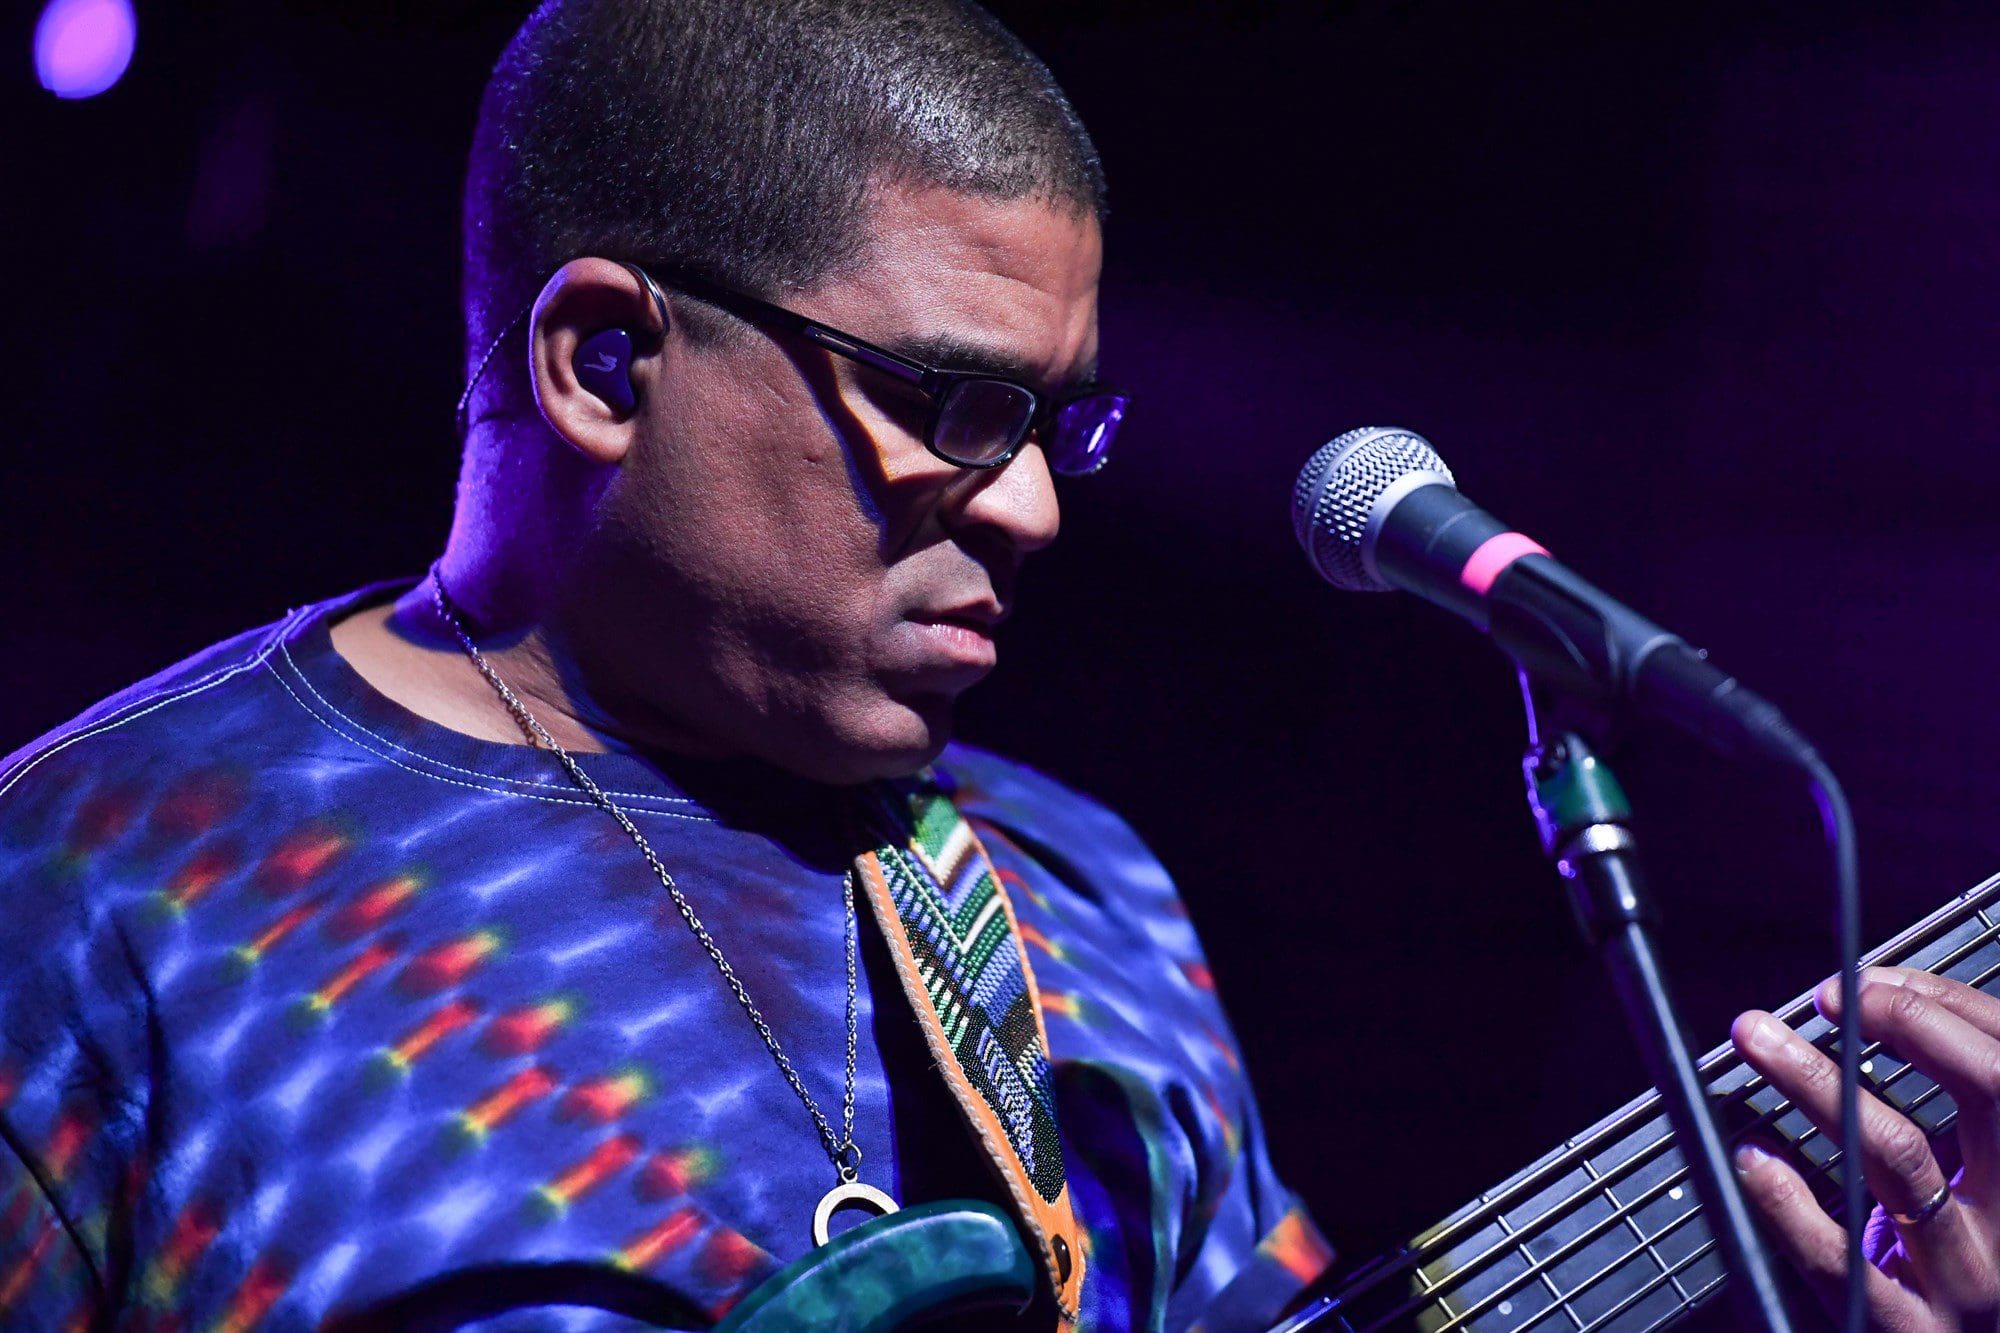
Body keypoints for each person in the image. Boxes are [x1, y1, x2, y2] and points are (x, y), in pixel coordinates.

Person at [0, 1, 1330, 1329]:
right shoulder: (101, 883)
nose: (1032, 508)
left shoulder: (1081, 893)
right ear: (604, 364)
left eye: (1051, 423)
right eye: (948, 403)